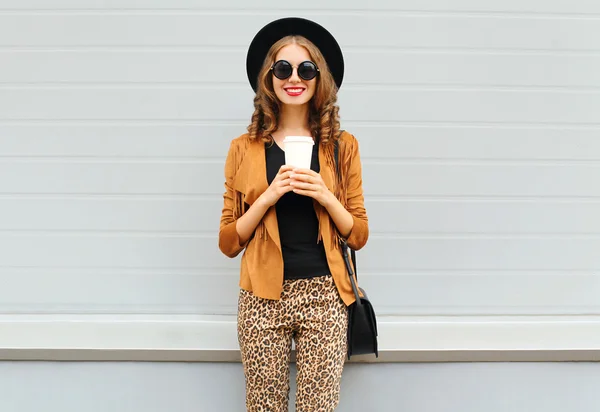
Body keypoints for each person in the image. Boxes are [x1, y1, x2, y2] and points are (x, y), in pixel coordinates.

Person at [218, 17, 369, 411]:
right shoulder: (243, 148)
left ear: (321, 79)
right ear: (268, 78)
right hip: (260, 298)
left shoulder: (342, 146)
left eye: (306, 69)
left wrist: (325, 196)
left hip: (325, 294)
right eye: (282, 69)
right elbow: (228, 243)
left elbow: (359, 235)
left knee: (318, 407)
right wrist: (268, 197)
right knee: (263, 406)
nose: (294, 78)